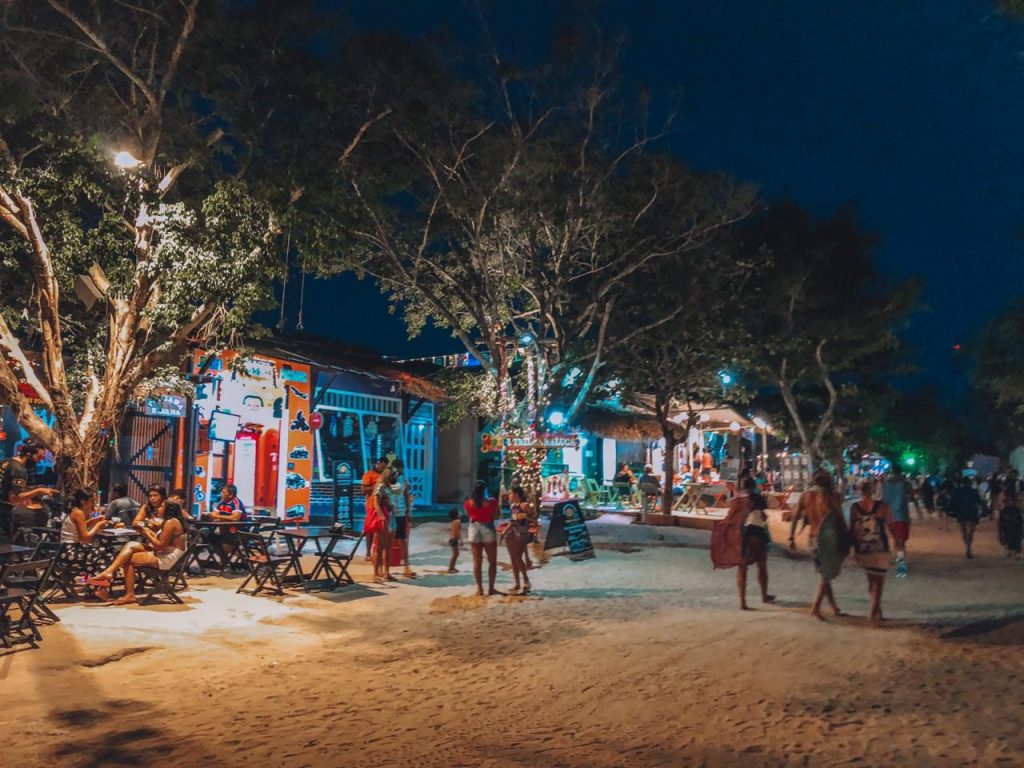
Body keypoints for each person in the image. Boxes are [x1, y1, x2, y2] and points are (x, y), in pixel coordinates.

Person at [88, 501, 187, 605]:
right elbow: (161, 543)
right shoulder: (169, 521)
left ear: (168, 510)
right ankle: (109, 572)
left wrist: (146, 533)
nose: (159, 508)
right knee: (130, 544)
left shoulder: (171, 523)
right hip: (164, 552)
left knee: (129, 559)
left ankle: (129, 594)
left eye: (162, 507)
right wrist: (148, 531)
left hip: (169, 558)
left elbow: (160, 545)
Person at [790, 469, 848, 621]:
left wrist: (791, 537)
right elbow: (839, 517)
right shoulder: (829, 496)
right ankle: (815, 608)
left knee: (825, 572)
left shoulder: (805, 496)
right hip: (829, 538)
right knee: (826, 575)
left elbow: (795, 516)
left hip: (813, 539)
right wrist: (847, 536)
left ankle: (834, 607)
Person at [717, 477, 774, 610]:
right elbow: (763, 516)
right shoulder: (758, 498)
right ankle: (764, 595)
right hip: (757, 534)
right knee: (762, 565)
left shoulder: (736, 500)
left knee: (742, 568)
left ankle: (743, 602)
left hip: (742, 535)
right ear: (753, 486)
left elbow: (731, 517)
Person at [850, 480, 892, 628]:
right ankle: (872, 615)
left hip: (863, 547)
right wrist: (899, 543)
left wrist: (853, 549)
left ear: (859, 491)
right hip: (880, 547)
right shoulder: (883, 506)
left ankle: (877, 611)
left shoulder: (855, 507)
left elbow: (852, 530)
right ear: (873, 489)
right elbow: (890, 525)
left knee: (871, 582)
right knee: (879, 583)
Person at [0, 439, 59, 540]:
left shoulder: (6, 461)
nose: (40, 460)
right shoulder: (19, 470)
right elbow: (14, 499)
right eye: (38, 457)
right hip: (4, 512)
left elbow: (9, 486)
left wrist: (35, 488)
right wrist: (39, 491)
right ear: (28, 455)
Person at [58, 488, 110, 597]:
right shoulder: (78, 513)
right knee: (106, 555)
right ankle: (97, 587)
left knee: (95, 557)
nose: (93, 504)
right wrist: (97, 526)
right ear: (83, 501)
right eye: (92, 501)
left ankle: (90, 585)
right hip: (69, 553)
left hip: (65, 550)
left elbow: (80, 529)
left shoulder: (74, 511)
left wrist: (92, 521)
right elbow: (86, 538)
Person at [464, 480, 500, 596]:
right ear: (485, 490)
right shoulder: (492, 502)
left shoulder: (468, 503)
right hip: (487, 527)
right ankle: (491, 588)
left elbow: (468, 515)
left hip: (473, 528)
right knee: (492, 561)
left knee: (477, 561)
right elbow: (496, 515)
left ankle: (480, 589)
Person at [503, 486, 533, 594]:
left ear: (516, 494)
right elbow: (512, 520)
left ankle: (526, 580)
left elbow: (533, 519)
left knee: (517, 558)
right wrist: (505, 531)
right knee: (513, 559)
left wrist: (523, 516)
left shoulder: (524, 505)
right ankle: (517, 583)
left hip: (521, 534)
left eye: (511, 493)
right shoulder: (513, 506)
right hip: (512, 534)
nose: (509, 495)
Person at [882, 466, 912, 577]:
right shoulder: (905, 483)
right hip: (901, 516)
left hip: (890, 517)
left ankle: (900, 559)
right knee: (901, 541)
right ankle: (901, 564)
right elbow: (911, 494)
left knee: (896, 539)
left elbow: (883, 500)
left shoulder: (886, 484)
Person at [389, 459, 416, 579]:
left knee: (402, 540)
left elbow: (405, 496)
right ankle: (385, 569)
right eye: (399, 468)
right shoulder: (387, 480)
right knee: (387, 542)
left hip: (400, 513)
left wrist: (408, 511)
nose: (400, 471)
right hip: (390, 513)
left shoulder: (403, 480)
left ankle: (406, 566)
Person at [207, 483, 245, 568]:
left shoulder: (236, 503)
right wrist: (213, 516)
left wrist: (218, 516)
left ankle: (242, 559)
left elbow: (235, 518)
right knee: (208, 537)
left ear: (231, 494)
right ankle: (225, 559)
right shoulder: (222, 503)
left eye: (223, 492)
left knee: (224, 544)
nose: (221, 494)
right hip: (224, 531)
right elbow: (214, 513)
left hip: (236, 533)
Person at [371, 468, 398, 583]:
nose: (395, 478)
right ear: (389, 475)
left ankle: (386, 572)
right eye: (394, 475)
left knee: (388, 547)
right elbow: (375, 503)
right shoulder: (380, 486)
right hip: (383, 519)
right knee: (379, 547)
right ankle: (376, 573)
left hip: (391, 518)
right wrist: (382, 517)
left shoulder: (389, 488)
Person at [361, 457, 388, 559]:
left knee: (382, 530)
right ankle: (368, 552)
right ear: (378, 463)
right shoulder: (369, 474)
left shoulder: (385, 476)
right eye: (382, 466)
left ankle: (378, 552)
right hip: (372, 506)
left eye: (384, 467)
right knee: (370, 529)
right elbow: (363, 490)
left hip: (384, 505)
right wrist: (377, 486)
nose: (383, 469)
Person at [950, 475, 983, 559]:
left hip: (961, 512)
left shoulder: (957, 491)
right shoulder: (973, 491)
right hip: (971, 511)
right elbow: (979, 501)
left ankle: (967, 547)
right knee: (971, 531)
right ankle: (969, 547)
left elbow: (953, 502)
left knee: (963, 530)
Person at [998, 489, 1023, 558]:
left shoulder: (1017, 510)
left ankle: (1016, 551)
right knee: (1008, 538)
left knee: (1017, 538)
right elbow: (1001, 522)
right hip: (1007, 527)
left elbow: (1020, 521)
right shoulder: (1004, 511)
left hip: (1016, 527)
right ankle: (1010, 550)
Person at [446, 508, 462, 573]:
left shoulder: (454, 521)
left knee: (456, 554)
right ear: (457, 514)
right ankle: (450, 568)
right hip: (454, 540)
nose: (461, 513)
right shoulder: (458, 521)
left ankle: (453, 567)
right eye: (459, 512)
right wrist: (461, 540)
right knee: (455, 554)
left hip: (452, 539)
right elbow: (458, 531)